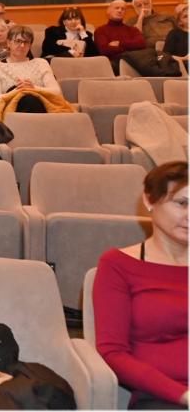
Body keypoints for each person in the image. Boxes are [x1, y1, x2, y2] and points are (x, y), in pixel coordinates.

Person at [94, 160, 187, 409]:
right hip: (164, 398)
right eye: (182, 203)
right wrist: (184, 395)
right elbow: (113, 353)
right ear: (149, 200)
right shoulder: (117, 264)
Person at [0, 26, 62, 102]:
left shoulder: (41, 63)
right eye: (18, 41)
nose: (22, 45)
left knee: (30, 100)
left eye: (26, 42)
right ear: (8, 43)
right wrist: (18, 91)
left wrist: (33, 88)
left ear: (30, 45)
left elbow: (57, 92)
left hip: (39, 105)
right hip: (10, 106)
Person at [95, 0, 146, 70]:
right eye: (117, 8)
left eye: (123, 9)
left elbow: (141, 44)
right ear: (108, 11)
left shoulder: (132, 30)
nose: (120, 10)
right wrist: (130, 48)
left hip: (134, 64)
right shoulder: (100, 30)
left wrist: (119, 43)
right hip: (112, 65)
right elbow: (104, 50)